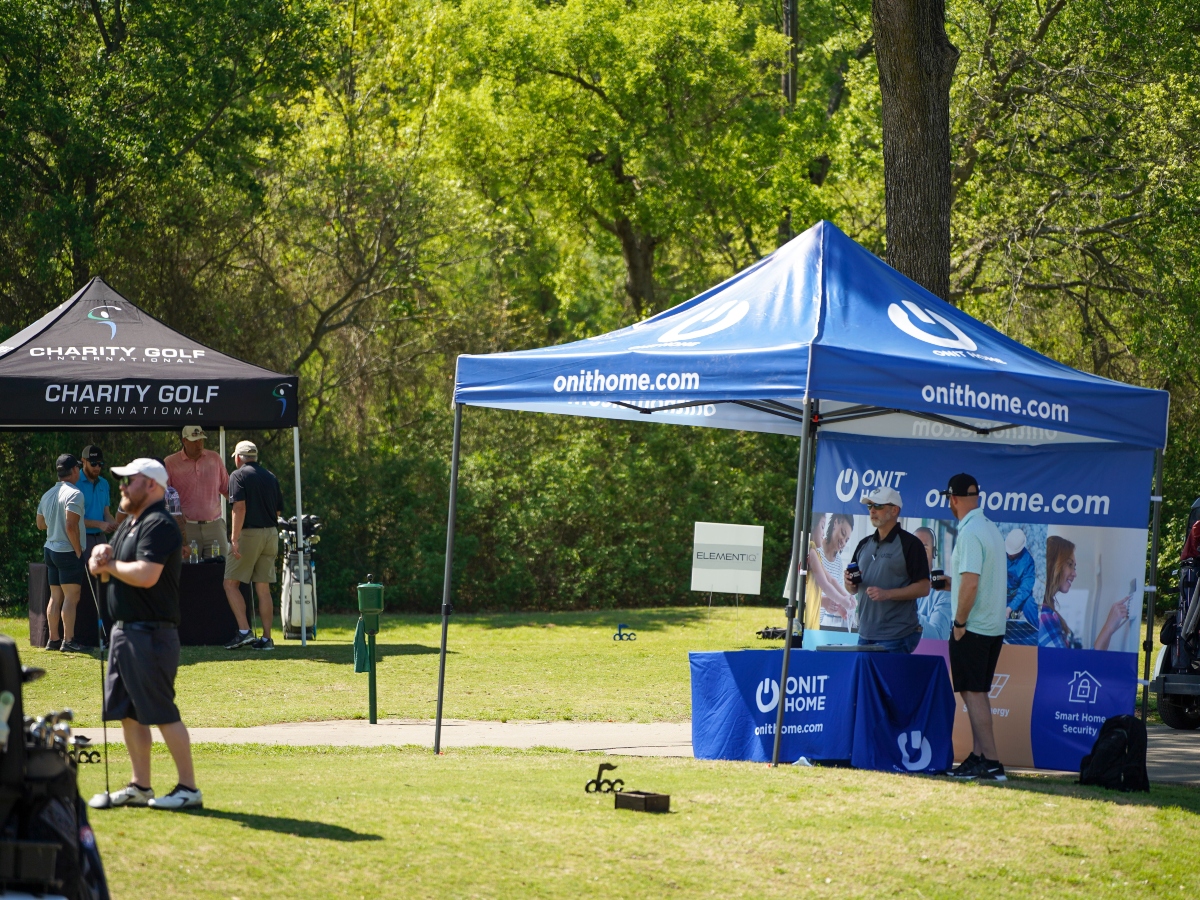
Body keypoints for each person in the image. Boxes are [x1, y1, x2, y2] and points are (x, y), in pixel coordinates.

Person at [86, 458, 201, 810]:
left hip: (151, 634)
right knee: (128, 712)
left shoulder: (159, 523)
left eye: (128, 481)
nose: (121, 486)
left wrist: (110, 565)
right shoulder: (128, 524)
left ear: (151, 484)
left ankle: (188, 789)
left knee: (161, 711)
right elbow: (104, 571)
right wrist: (98, 557)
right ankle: (140, 786)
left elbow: (147, 574)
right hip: (124, 633)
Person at [943, 473, 1008, 782]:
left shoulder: (969, 533)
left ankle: (992, 762)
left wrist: (959, 623)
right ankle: (981, 757)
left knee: (974, 693)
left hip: (974, 627)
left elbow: (971, 584)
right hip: (992, 626)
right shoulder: (990, 528)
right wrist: (950, 585)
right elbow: (971, 582)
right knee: (976, 693)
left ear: (953, 499)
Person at [843, 486, 930, 652]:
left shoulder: (911, 544)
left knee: (889, 679)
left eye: (879, 506)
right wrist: (849, 582)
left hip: (896, 636)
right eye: (870, 506)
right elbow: (852, 589)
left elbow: (924, 587)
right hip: (864, 634)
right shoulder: (864, 544)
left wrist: (887, 594)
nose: (872, 510)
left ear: (894, 510)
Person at [223, 441, 284, 651]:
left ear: (239, 458)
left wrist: (234, 538)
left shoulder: (237, 475)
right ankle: (267, 639)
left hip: (250, 534)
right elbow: (277, 512)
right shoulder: (270, 476)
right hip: (271, 534)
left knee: (230, 583)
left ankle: (243, 631)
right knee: (263, 588)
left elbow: (239, 508)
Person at [1038, 536, 1131, 650]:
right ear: (1053, 565)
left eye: (1074, 567)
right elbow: (1070, 667)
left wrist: (1109, 629)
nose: (1074, 573)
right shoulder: (1044, 616)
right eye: (1069, 564)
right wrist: (1108, 628)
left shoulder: (1043, 611)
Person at [36, 454, 87, 653]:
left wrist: (54, 524)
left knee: (55, 596)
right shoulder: (75, 494)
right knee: (71, 597)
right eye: (78, 468)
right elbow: (71, 525)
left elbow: (40, 524)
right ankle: (68, 641)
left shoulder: (47, 494)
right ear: (74, 470)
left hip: (50, 550)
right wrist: (77, 551)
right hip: (67, 551)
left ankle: (53, 640)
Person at [164, 425, 229, 559]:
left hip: (214, 526)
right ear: (184, 441)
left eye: (201, 440)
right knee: (188, 574)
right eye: (195, 441)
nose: (199, 444)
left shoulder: (215, 458)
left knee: (219, 572)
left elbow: (228, 490)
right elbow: (164, 497)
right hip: (186, 529)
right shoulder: (170, 462)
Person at [816, 514, 857, 629]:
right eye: (843, 534)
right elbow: (797, 595)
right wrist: (823, 601)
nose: (843, 542)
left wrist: (841, 607)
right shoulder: (814, 552)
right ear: (835, 523)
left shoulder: (838, 562)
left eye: (847, 539)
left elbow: (833, 586)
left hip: (816, 626)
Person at [914, 526, 952, 640]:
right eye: (914, 549)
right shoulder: (898, 585)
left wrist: (906, 612)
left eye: (924, 550)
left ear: (934, 553)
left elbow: (939, 638)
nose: (918, 555)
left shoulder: (942, 590)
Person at [78, 445, 117, 555]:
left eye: (100, 464)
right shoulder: (74, 483)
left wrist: (114, 524)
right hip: (81, 539)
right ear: (83, 461)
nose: (97, 467)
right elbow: (71, 520)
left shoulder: (104, 483)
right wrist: (99, 524)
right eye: (93, 463)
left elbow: (106, 513)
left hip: (101, 539)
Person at [1004, 529, 1038, 627]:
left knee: (1029, 604)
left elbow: (1025, 589)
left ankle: (1036, 632)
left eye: (1012, 552)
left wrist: (1010, 608)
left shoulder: (1028, 562)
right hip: (999, 594)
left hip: (1017, 597)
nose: (1009, 554)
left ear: (1020, 550)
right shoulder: (998, 550)